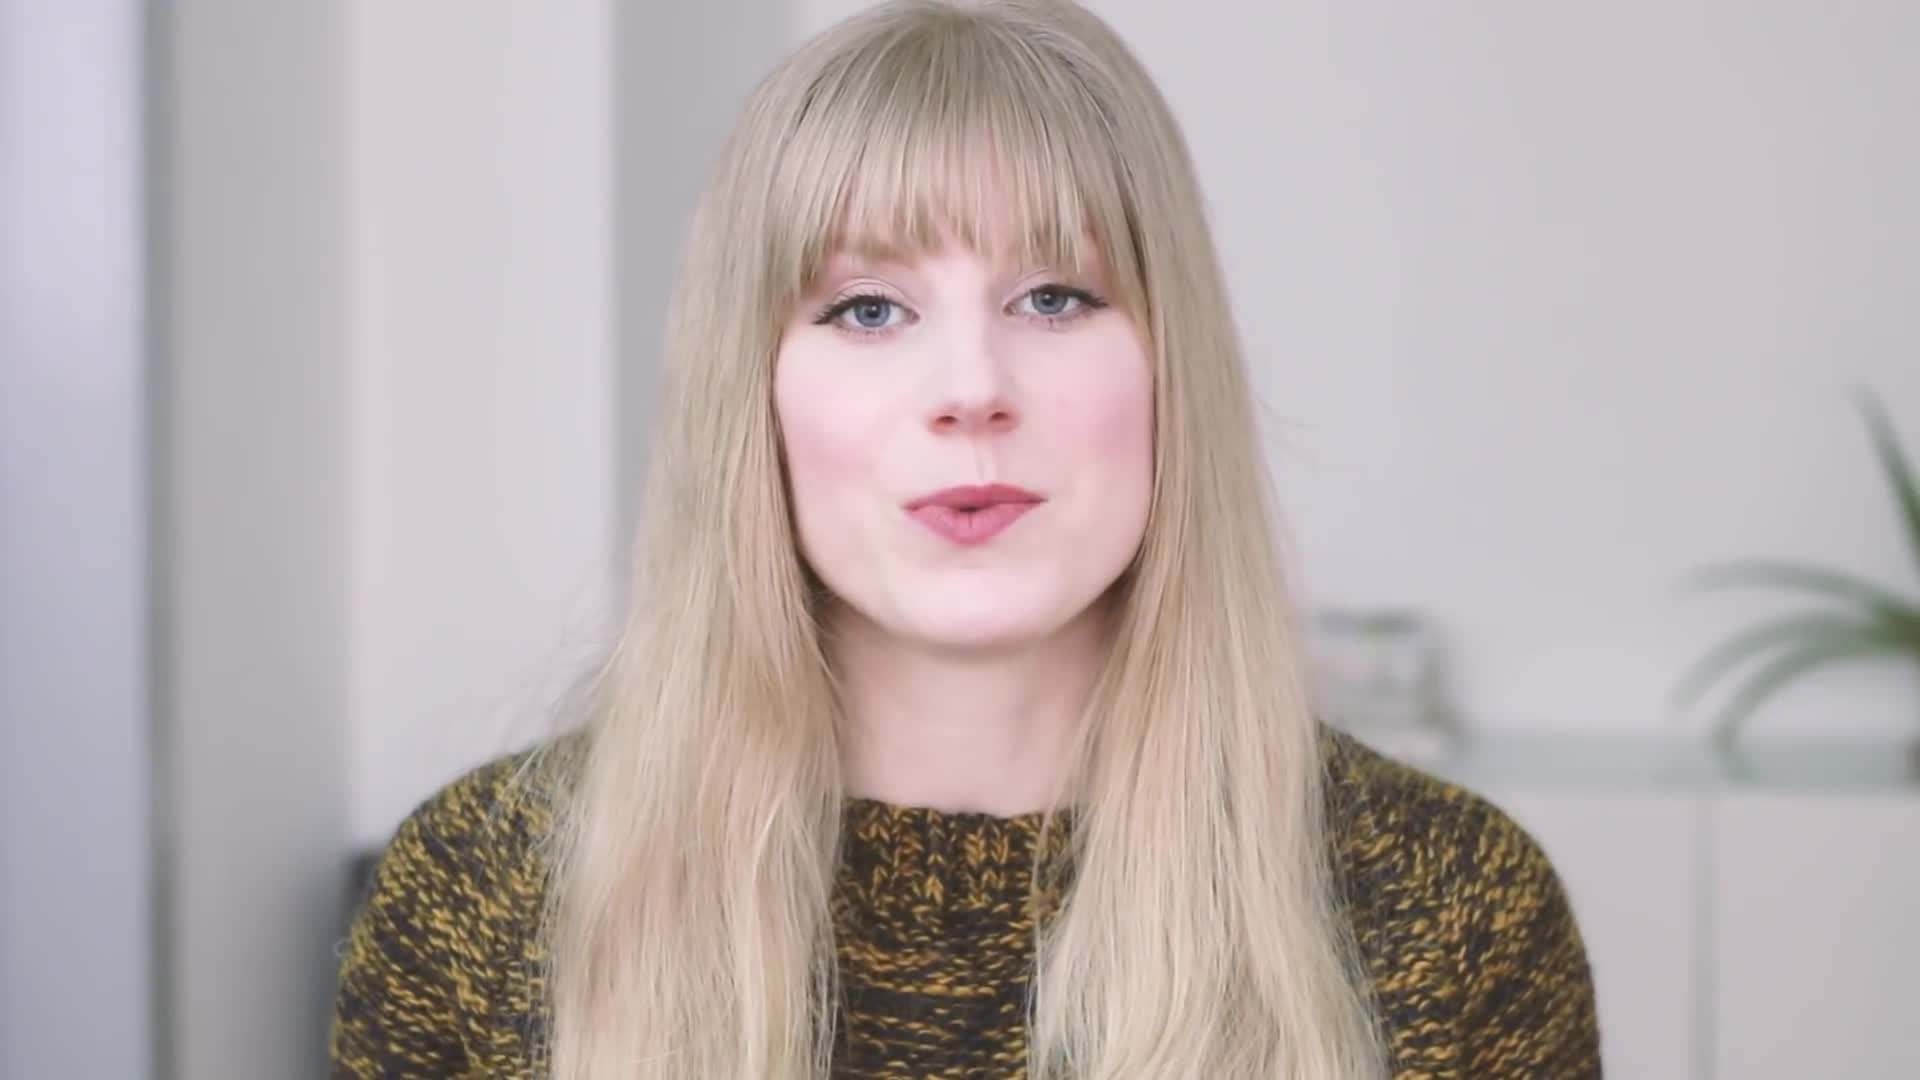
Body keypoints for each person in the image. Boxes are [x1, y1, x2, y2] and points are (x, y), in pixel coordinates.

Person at [328, 1, 1601, 1077]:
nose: (972, 386)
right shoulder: (482, 902)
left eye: (1055, 296)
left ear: (1173, 368)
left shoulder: (1452, 914)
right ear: (751, 396)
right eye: (869, 308)